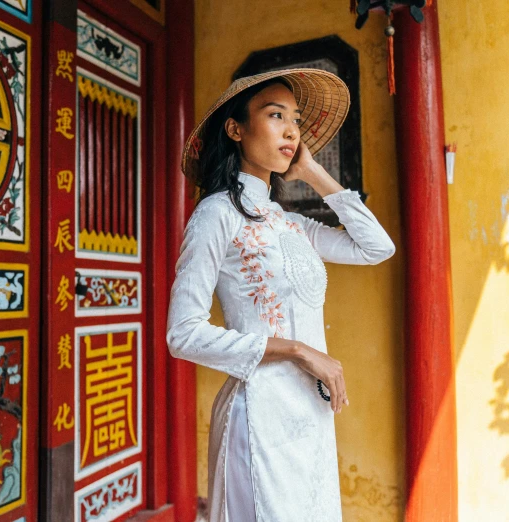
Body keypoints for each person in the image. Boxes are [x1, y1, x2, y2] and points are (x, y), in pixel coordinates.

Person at [165, 69, 396, 522]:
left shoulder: (290, 224)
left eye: (294, 118)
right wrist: (296, 350)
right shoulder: (216, 215)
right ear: (236, 129)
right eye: (275, 115)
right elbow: (183, 333)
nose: (291, 129)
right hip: (260, 417)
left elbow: (377, 247)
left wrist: (311, 171)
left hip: (311, 414)